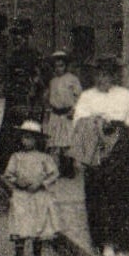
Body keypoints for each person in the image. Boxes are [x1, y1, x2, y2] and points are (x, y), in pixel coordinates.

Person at [71, 56, 129, 256]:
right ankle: (101, 239)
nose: (103, 78)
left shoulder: (125, 95)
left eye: (107, 74)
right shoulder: (87, 96)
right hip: (96, 147)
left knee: (119, 192)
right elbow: (79, 124)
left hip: (120, 147)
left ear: (114, 76)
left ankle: (117, 238)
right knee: (96, 192)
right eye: (99, 74)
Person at [3, 120, 59, 256]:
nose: (26, 141)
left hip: (38, 196)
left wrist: (41, 183)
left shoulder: (44, 158)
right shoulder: (16, 157)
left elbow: (53, 174)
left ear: (37, 140)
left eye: (30, 138)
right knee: (20, 226)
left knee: (37, 227)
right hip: (21, 195)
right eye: (24, 137)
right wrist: (17, 181)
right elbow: (8, 175)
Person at [0, 19, 45, 170]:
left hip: (30, 97)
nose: (18, 38)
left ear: (28, 36)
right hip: (14, 97)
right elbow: (5, 77)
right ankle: (6, 162)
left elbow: (42, 76)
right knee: (10, 128)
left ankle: (32, 164)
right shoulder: (12, 55)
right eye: (16, 35)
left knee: (30, 127)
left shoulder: (36, 55)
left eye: (22, 35)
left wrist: (35, 84)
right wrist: (10, 87)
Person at [43, 50, 82, 178]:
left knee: (67, 142)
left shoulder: (72, 79)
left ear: (66, 66)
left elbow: (79, 96)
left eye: (61, 66)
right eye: (56, 66)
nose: (59, 69)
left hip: (67, 114)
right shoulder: (53, 81)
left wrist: (74, 109)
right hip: (56, 113)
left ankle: (69, 168)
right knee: (56, 143)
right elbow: (50, 97)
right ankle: (58, 168)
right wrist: (49, 108)